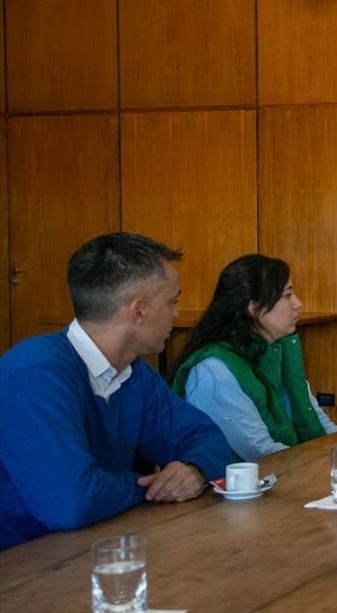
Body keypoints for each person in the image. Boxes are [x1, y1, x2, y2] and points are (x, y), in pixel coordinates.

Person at [0, 233, 230, 549]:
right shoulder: (34, 373)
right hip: (23, 563)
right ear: (138, 311)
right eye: (172, 302)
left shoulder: (134, 373)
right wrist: (151, 488)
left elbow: (208, 437)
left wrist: (195, 470)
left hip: (98, 546)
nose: (176, 314)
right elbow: (70, 502)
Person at [171, 255, 337, 461]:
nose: (298, 304)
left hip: (293, 467)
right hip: (248, 479)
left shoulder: (278, 350)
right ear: (254, 309)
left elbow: (318, 420)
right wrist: (321, 463)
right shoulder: (213, 371)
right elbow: (259, 452)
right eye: (288, 295)